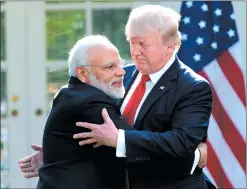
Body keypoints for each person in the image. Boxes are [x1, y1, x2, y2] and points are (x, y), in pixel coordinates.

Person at [72, 5, 214, 189]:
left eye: (143, 44)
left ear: (169, 46)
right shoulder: (123, 74)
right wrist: (58, 151)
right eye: (132, 42)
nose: (135, 51)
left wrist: (120, 139)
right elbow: (92, 124)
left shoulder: (193, 87)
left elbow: (181, 144)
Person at [34, 35, 131, 189]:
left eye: (120, 63)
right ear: (82, 74)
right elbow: (136, 147)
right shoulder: (92, 102)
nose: (121, 72)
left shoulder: (69, 92)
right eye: (110, 67)